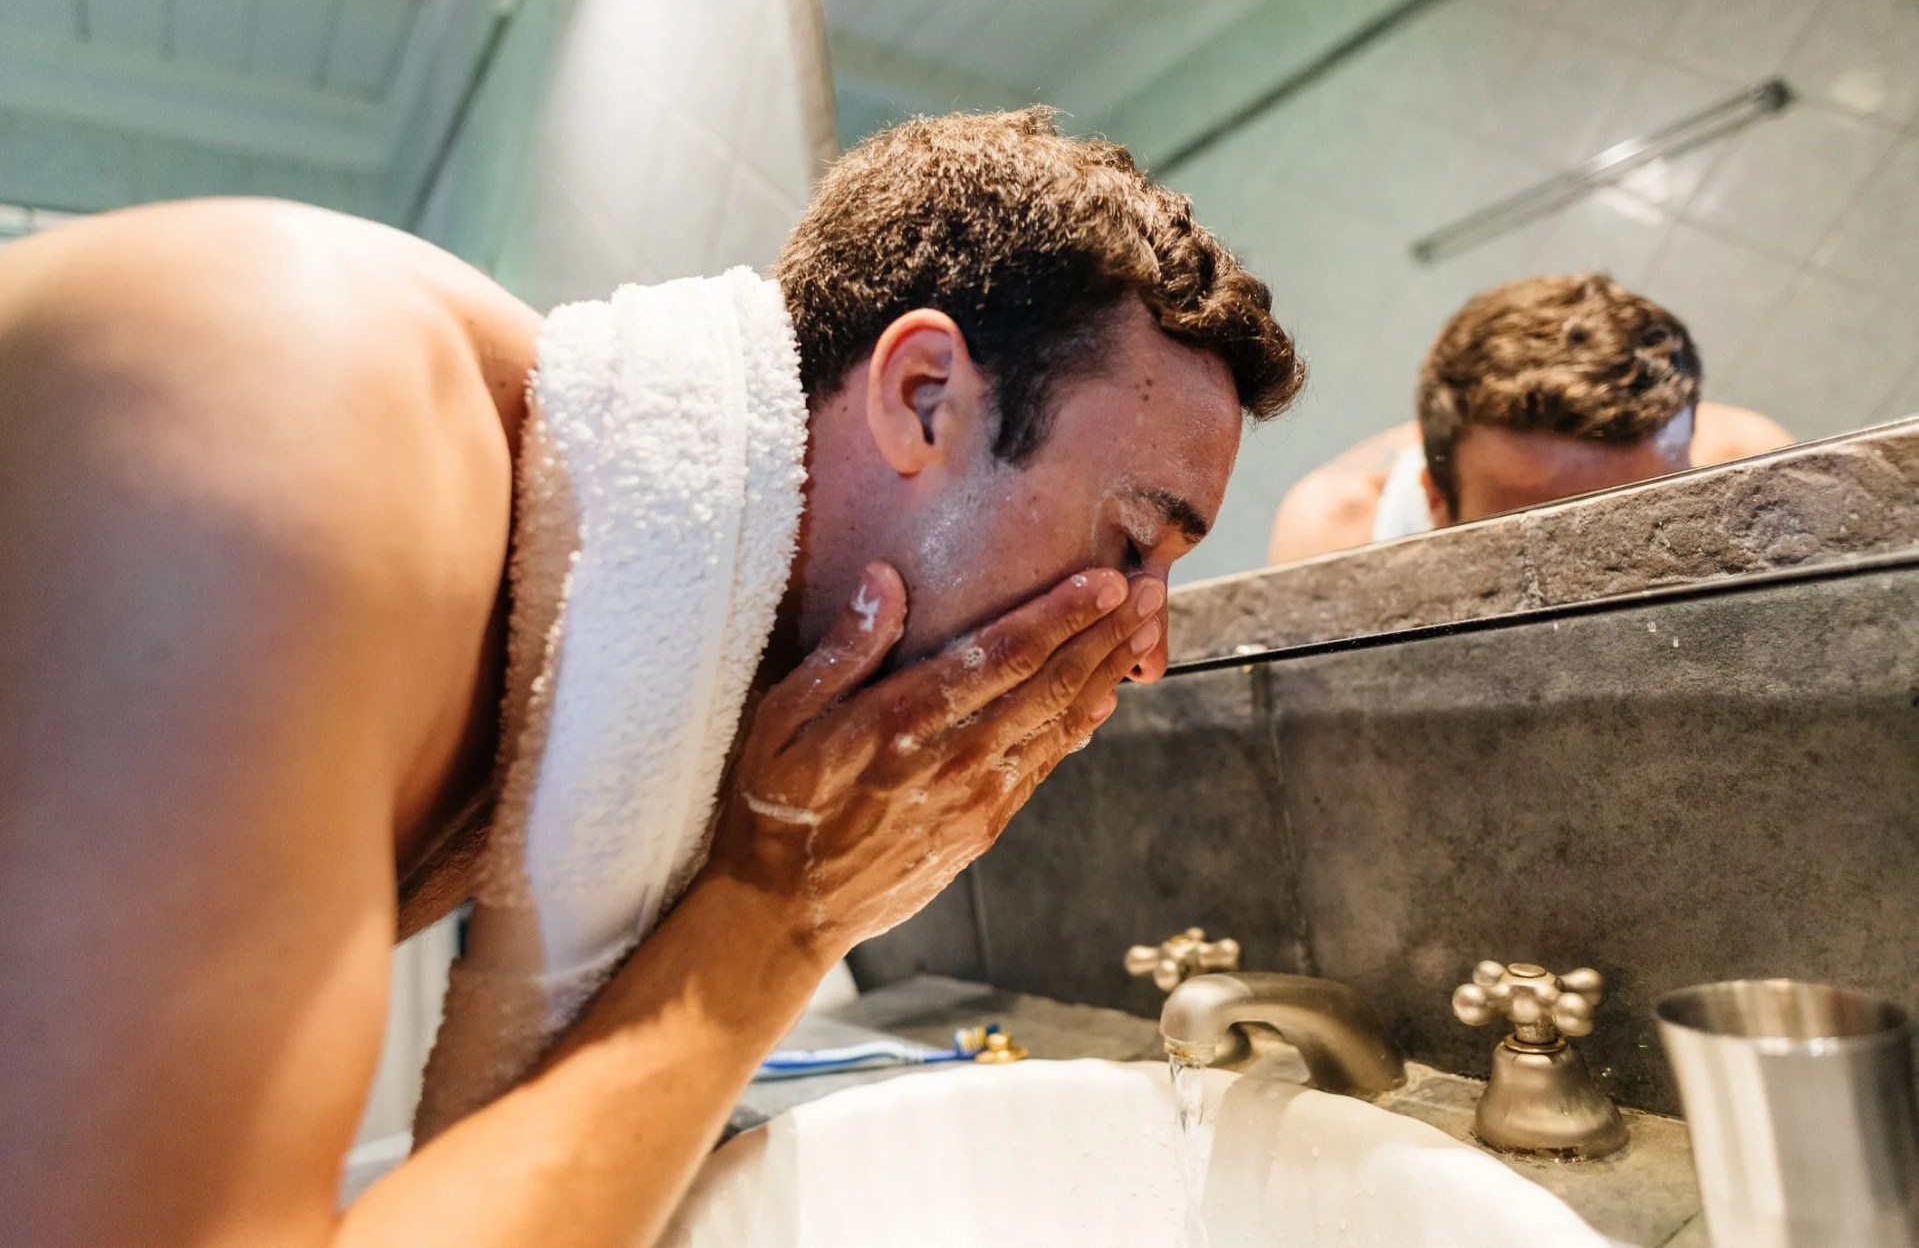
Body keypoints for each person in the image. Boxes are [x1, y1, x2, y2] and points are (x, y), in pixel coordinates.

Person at [0, 108, 1300, 1246]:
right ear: (917, 396)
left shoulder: (540, 613)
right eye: (1131, 543)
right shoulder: (290, 421)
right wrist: (770, 915)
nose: (1139, 640)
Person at [1267, 273, 1792, 564]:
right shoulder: (1338, 536)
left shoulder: (1748, 467)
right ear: (1435, 500)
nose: (1601, 571)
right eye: (1539, 540)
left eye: (1646, 519)